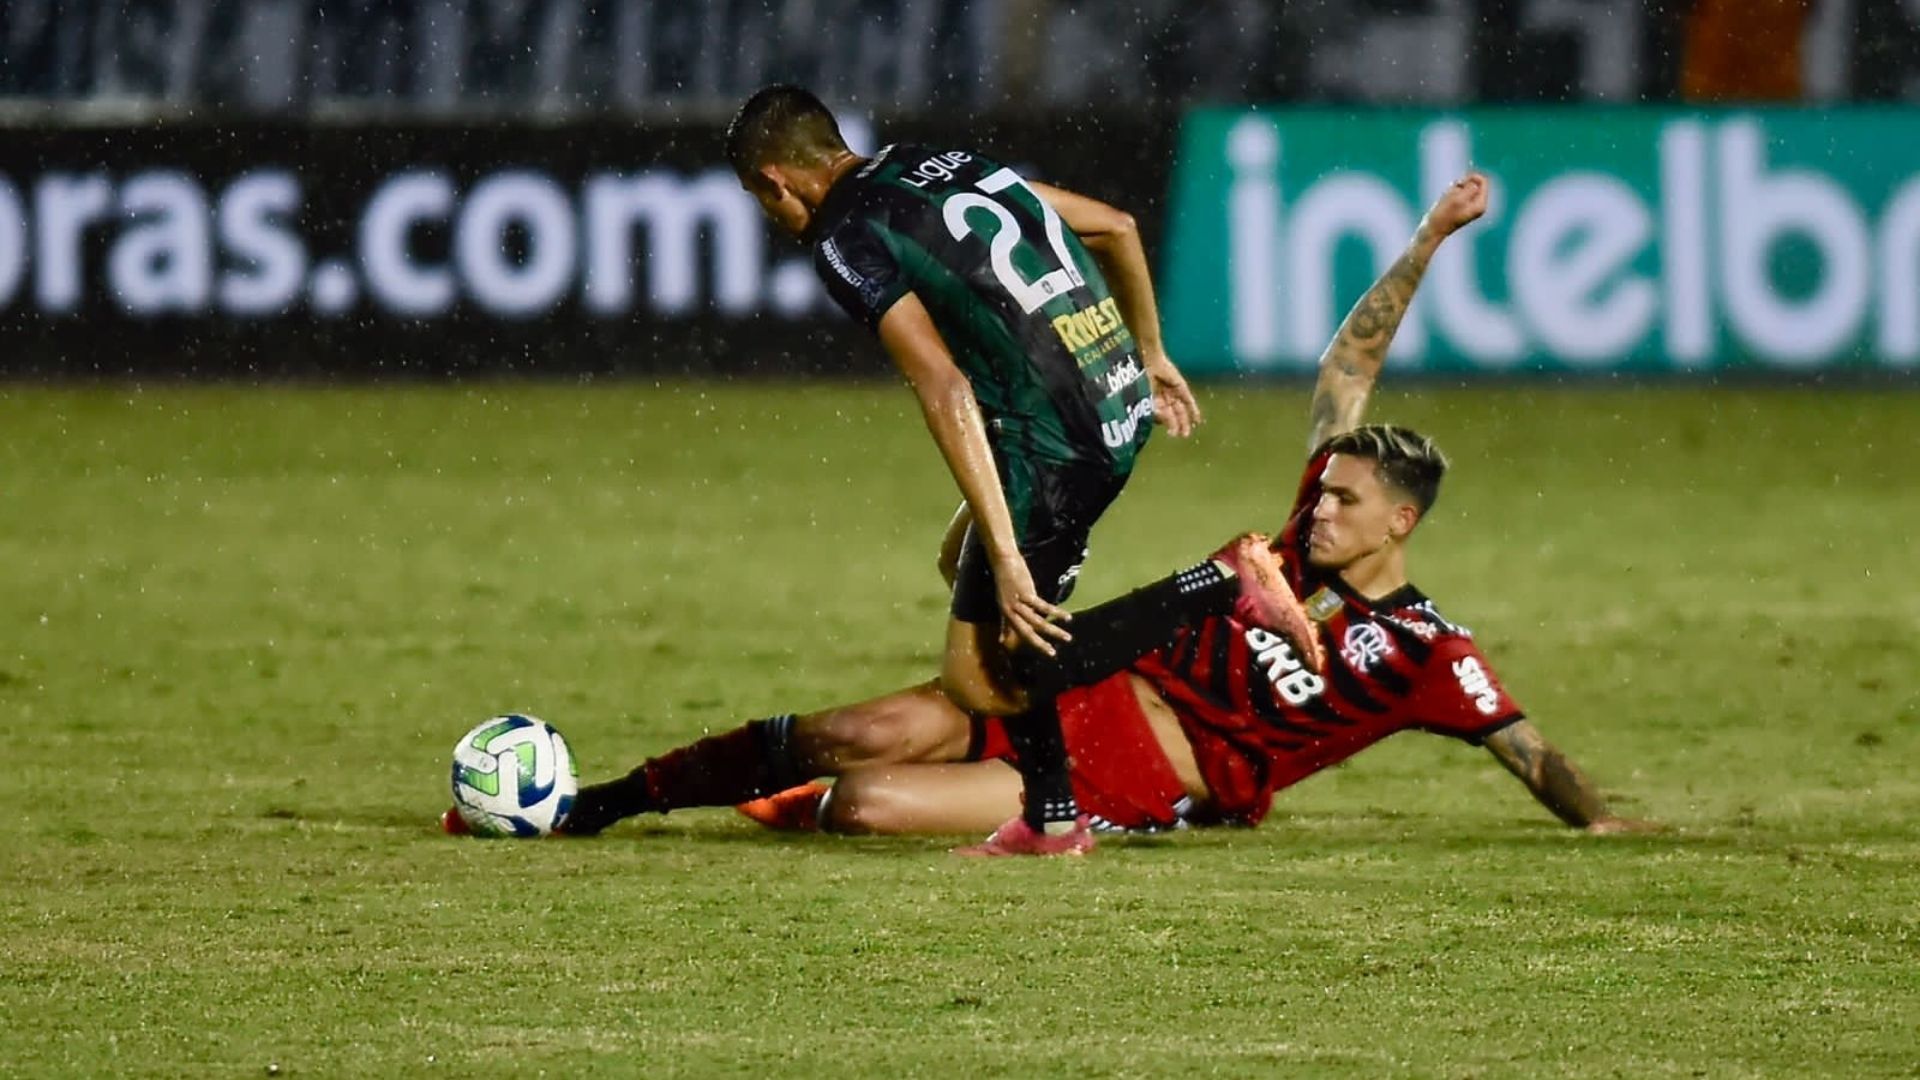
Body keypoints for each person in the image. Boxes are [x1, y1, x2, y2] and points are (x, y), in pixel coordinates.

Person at [482, 172, 1651, 846]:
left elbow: (1530, 752)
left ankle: (819, 808)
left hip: (1141, 772)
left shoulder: (1428, 652)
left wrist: (1603, 828)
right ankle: (607, 802)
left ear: (1403, 525)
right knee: (853, 732)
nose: (1326, 502)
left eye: (1349, 499)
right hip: (1075, 675)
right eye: (1327, 486)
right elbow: (1355, 356)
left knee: (869, 801)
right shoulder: (1298, 540)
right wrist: (1429, 239)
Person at [705, 84, 1311, 854]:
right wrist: (1149, 353)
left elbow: (944, 385)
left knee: (979, 676)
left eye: (761, 201)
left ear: (776, 180)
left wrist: (1008, 549)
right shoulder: (933, 161)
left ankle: (1209, 600)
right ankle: (1052, 802)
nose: (770, 218)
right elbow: (1117, 227)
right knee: (961, 564)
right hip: (1115, 399)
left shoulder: (842, 232)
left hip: (1057, 441)